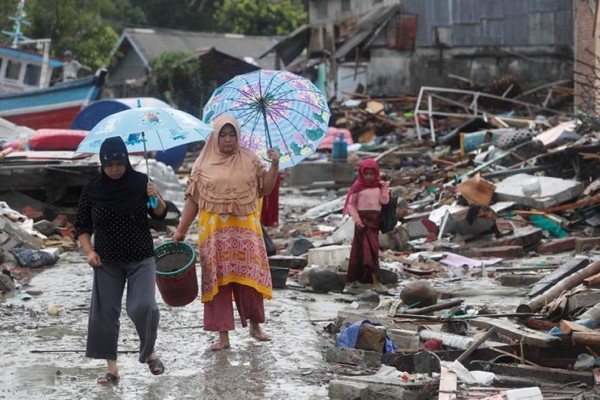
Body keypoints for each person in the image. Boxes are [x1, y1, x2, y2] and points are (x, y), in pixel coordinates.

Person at [172, 114, 279, 352]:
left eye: (232, 135)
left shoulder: (250, 159)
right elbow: (193, 200)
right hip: (214, 235)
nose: (228, 140)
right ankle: (223, 336)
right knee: (217, 283)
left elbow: (265, 189)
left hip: (246, 233)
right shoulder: (202, 163)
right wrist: (180, 231)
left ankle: (255, 326)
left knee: (250, 280)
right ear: (215, 136)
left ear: (238, 136)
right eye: (223, 135)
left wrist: (274, 165)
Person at [73, 136, 168, 384]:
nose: (114, 169)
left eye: (118, 163)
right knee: (105, 313)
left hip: (141, 257)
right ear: (102, 164)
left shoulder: (141, 182)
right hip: (107, 260)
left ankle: (149, 352)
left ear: (126, 160)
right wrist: (89, 252)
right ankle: (112, 368)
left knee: (143, 306)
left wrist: (155, 195)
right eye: (109, 164)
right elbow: (81, 227)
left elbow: (160, 214)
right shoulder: (92, 189)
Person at [343, 158, 390, 293]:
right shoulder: (358, 187)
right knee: (360, 251)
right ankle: (358, 279)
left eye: (371, 173)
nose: (369, 177)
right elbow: (352, 205)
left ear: (376, 173)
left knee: (373, 251)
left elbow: (384, 201)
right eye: (366, 174)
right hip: (362, 223)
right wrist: (357, 220)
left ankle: (374, 280)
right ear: (361, 174)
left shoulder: (378, 186)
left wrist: (384, 188)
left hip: (374, 222)